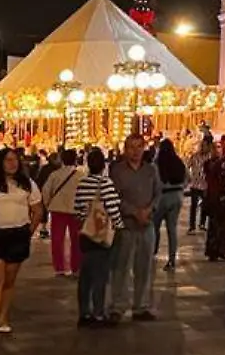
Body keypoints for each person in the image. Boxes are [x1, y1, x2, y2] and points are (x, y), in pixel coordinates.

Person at [0, 146, 42, 336]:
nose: (12, 164)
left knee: (8, 281)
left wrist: (29, 230)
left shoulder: (27, 184)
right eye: (7, 160)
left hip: (17, 234)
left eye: (15, 160)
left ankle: (2, 317)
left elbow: (37, 210)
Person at [109, 134, 160, 322]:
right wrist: (133, 211)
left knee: (144, 267)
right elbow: (114, 197)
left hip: (147, 225)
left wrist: (149, 210)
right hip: (126, 226)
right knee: (121, 266)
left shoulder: (151, 170)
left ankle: (141, 306)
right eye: (131, 147)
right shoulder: (118, 171)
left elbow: (158, 193)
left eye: (139, 147)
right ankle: (118, 305)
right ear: (125, 149)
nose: (136, 151)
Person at [73, 148, 124, 328]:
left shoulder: (82, 183)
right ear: (103, 165)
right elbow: (112, 208)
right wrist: (119, 225)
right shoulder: (106, 183)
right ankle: (98, 313)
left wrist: (85, 221)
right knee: (100, 275)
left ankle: (84, 312)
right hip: (101, 234)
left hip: (86, 233)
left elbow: (78, 210)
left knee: (85, 274)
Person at [40, 149, 83, 279]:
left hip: (58, 209)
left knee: (57, 240)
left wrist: (48, 205)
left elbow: (46, 191)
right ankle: (76, 266)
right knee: (76, 240)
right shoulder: (81, 175)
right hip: (76, 209)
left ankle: (59, 267)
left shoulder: (55, 175)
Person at [154, 138, 187, 272]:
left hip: (163, 196)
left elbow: (155, 180)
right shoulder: (179, 162)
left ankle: (153, 252)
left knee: (154, 226)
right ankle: (172, 259)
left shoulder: (158, 163)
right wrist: (181, 188)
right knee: (172, 229)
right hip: (177, 196)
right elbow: (187, 178)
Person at [204, 143, 225, 262]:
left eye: (219, 149)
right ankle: (213, 250)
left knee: (224, 226)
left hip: (223, 197)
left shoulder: (224, 165)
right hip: (214, 198)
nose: (217, 151)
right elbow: (213, 170)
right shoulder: (209, 164)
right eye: (215, 149)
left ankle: (222, 250)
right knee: (215, 225)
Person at [187, 137, 212, 234]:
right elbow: (187, 166)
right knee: (193, 206)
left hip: (205, 185)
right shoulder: (194, 156)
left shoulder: (209, 157)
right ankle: (192, 226)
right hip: (195, 184)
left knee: (205, 205)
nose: (202, 148)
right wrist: (190, 177)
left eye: (204, 146)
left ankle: (202, 223)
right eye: (201, 146)